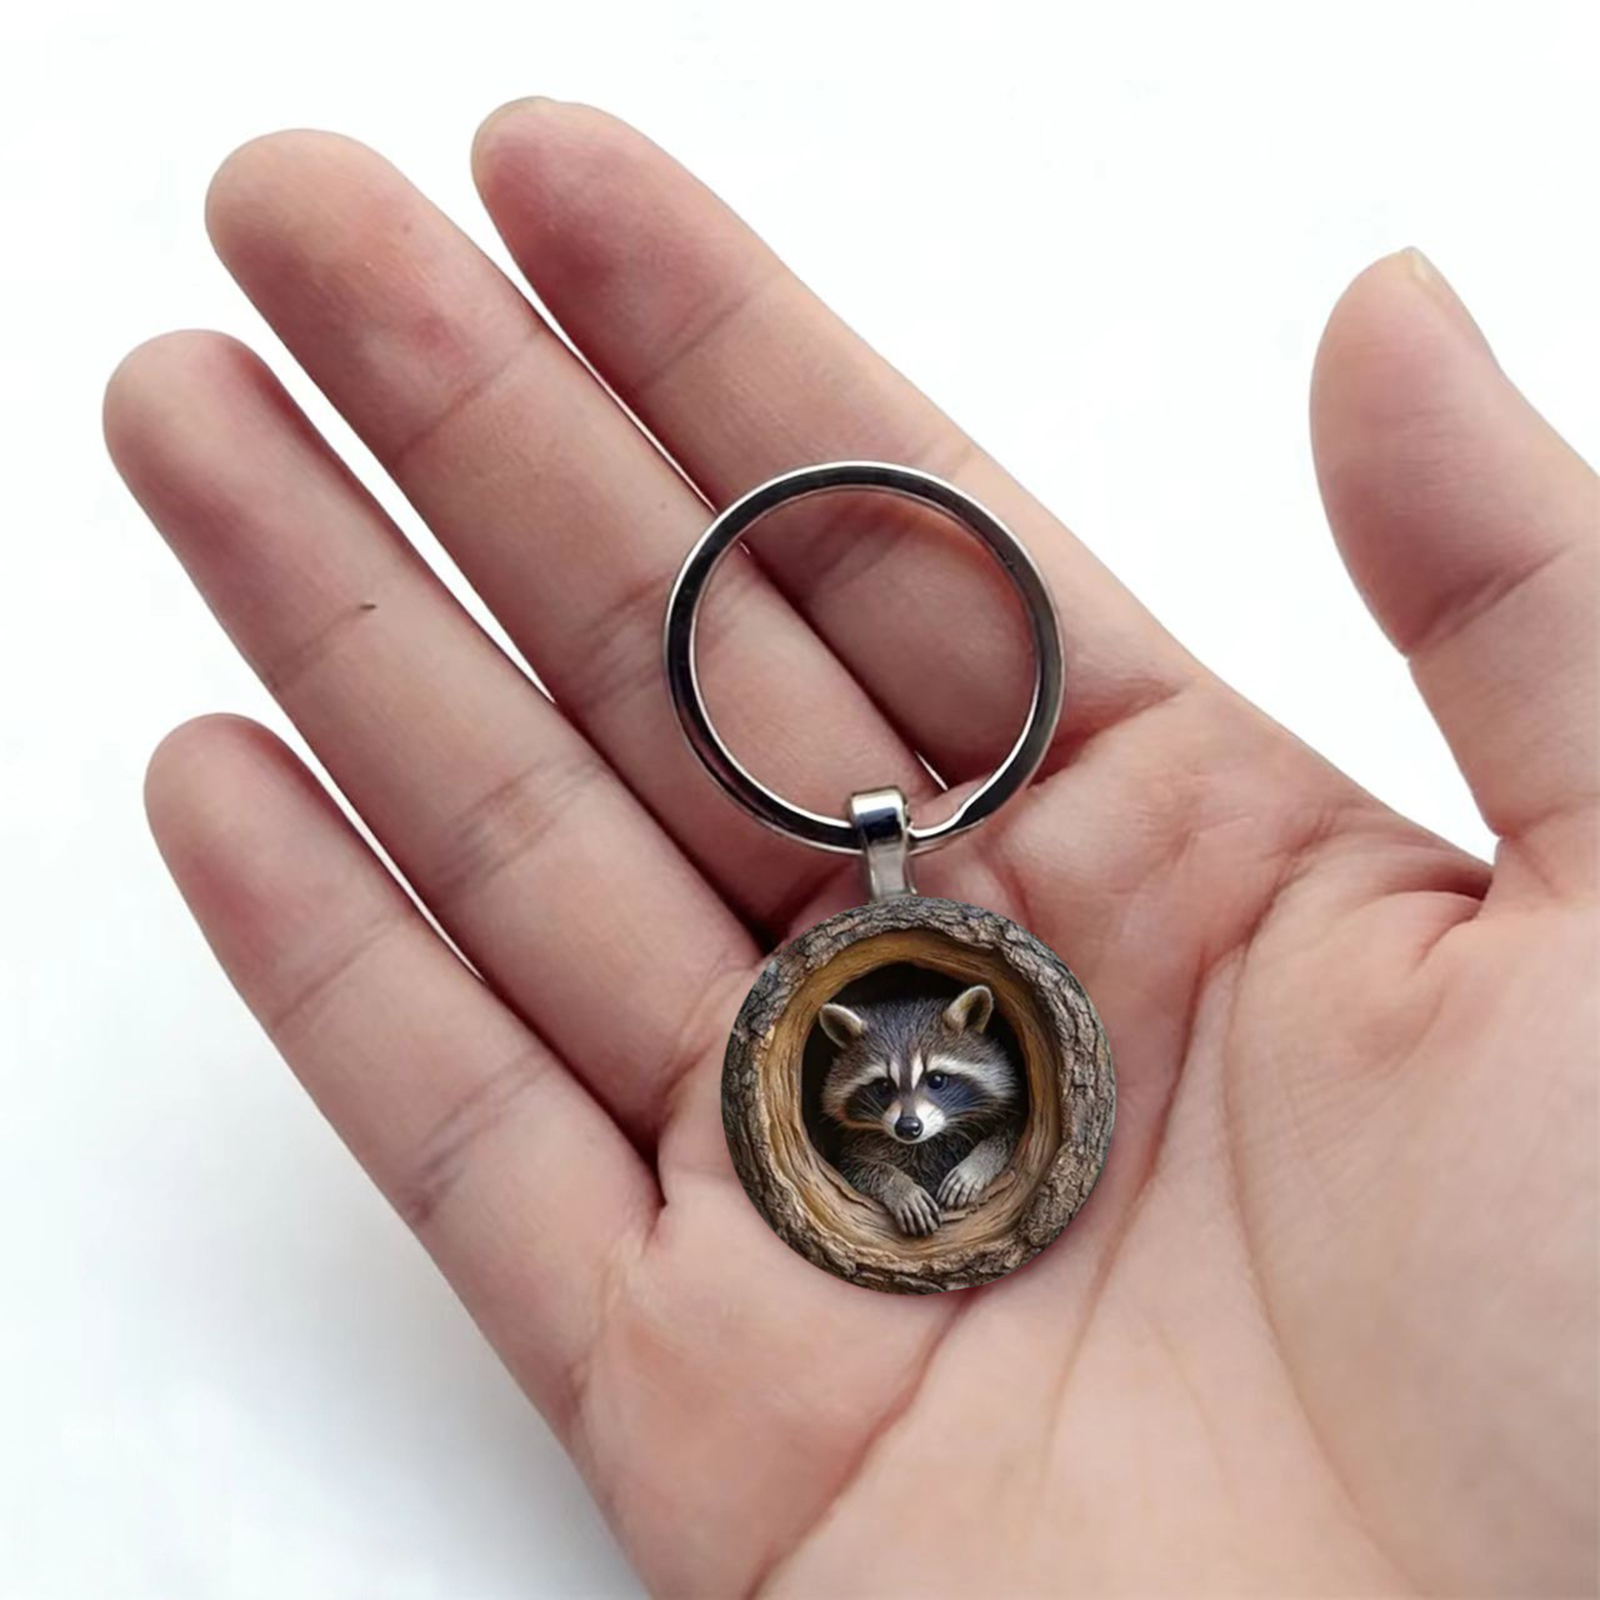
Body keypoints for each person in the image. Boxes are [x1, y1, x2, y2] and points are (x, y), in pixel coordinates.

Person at [102, 99, 1597, 1596]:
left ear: (988, 1033)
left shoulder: (983, 1057)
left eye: (927, 1083)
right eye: (878, 1090)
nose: (907, 1109)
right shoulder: (866, 1100)